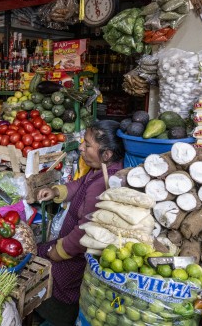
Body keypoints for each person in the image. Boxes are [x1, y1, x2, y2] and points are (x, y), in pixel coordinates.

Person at [34, 120, 125, 326]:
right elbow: (78, 185)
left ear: (107, 154)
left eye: (88, 144)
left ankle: (57, 318)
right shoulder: (98, 170)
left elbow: (86, 230)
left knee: (57, 280)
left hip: (77, 255)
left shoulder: (104, 182)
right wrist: (57, 191)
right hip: (72, 247)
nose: (81, 147)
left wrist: (59, 251)